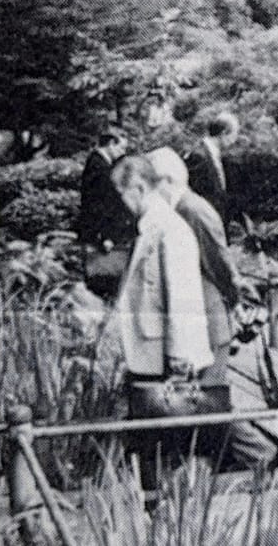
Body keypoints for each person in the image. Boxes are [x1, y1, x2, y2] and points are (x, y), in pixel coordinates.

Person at [145, 146, 276, 470]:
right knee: (197, 398)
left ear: (167, 180)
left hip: (206, 323)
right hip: (193, 321)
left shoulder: (193, 211)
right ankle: (206, 463)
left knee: (206, 400)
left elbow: (221, 266)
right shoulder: (176, 211)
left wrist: (236, 302)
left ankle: (259, 455)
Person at [106, 154, 213, 488]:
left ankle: (163, 518)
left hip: (164, 359)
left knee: (163, 446)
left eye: (121, 195)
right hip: (148, 354)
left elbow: (181, 299)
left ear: (137, 188)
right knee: (150, 445)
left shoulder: (170, 229)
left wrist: (181, 358)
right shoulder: (151, 227)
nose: (121, 204)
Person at [77, 128, 137, 298]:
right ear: (111, 143)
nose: (122, 153)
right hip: (100, 236)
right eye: (121, 148)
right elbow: (97, 205)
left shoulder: (99, 163)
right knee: (102, 280)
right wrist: (105, 235)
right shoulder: (99, 167)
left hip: (99, 233)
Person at [182, 112, 239, 224]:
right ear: (224, 133)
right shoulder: (198, 155)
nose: (235, 139)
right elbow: (195, 194)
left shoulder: (215, 154)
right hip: (203, 221)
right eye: (235, 134)